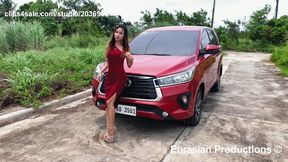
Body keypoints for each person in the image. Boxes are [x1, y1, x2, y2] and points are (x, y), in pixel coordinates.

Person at [97, 24, 133, 143]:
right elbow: (108, 62)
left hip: (119, 77)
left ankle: (111, 132)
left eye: (121, 33)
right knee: (109, 105)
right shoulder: (109, 46)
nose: (117, 34)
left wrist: (130, 58)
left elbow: (129, 65)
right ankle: (111, 127)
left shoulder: (125, 48)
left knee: (109, 102)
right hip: (109, 77)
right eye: (116, 32)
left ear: (124, 36)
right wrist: (101, 71)